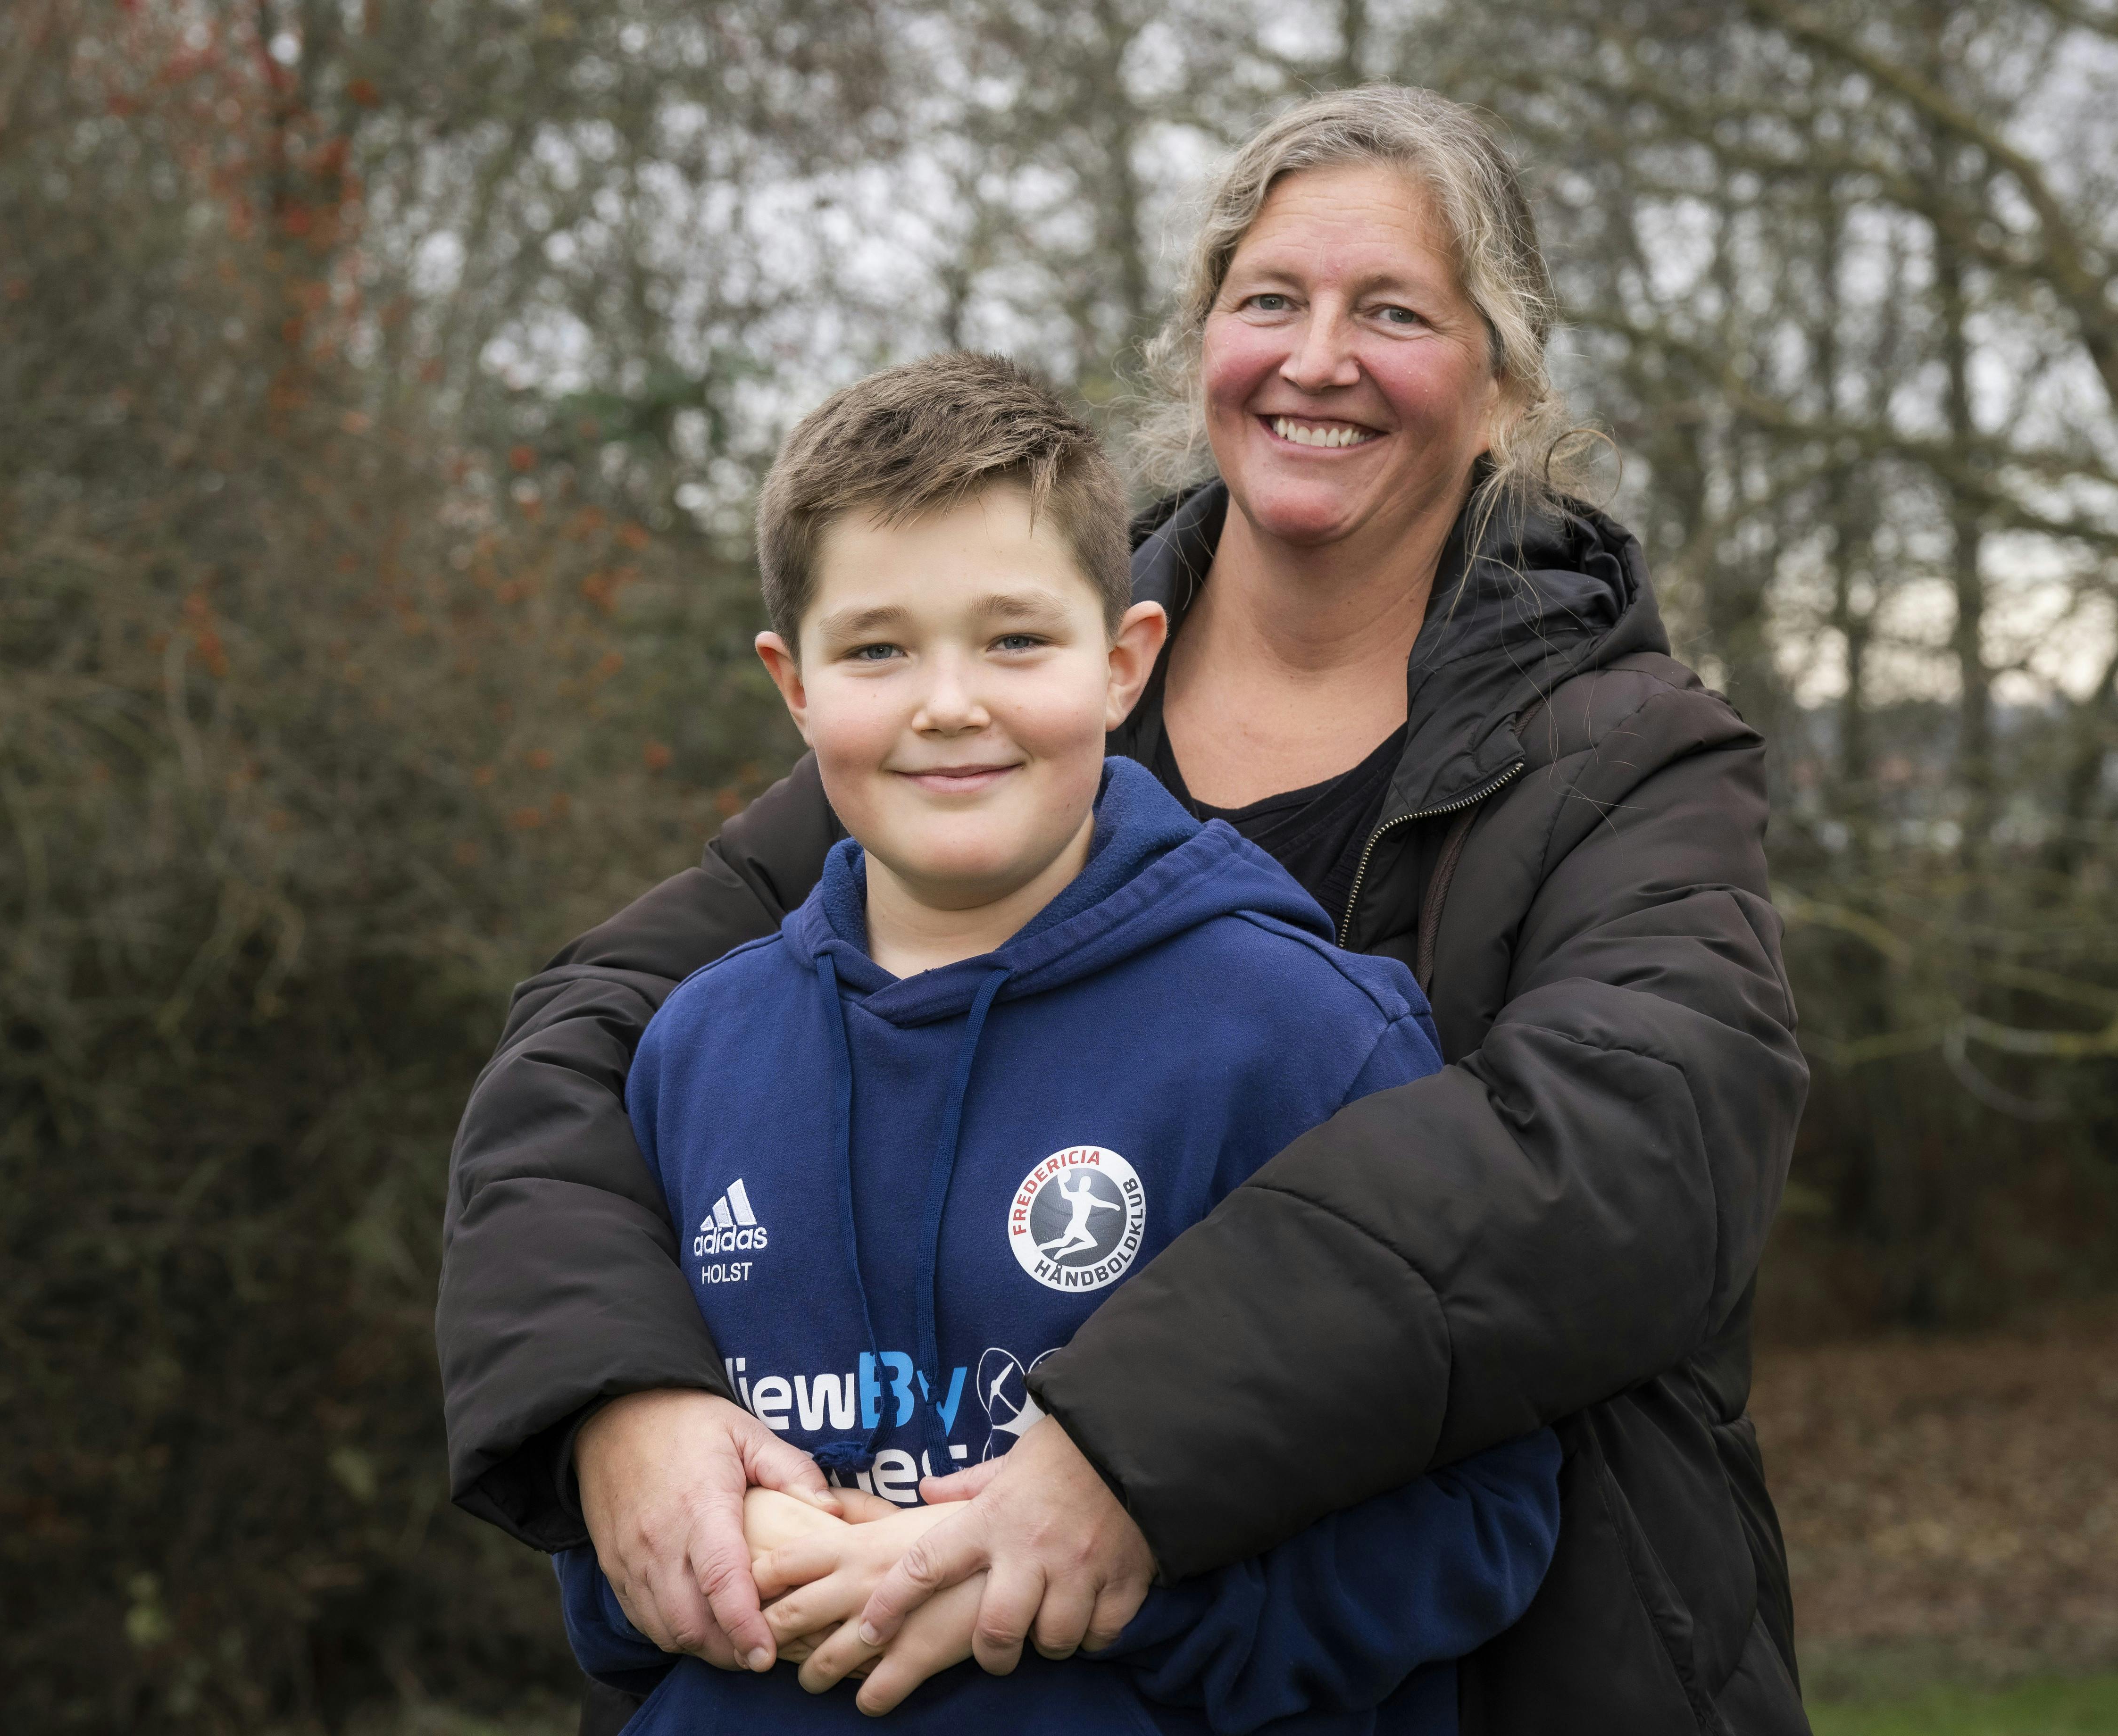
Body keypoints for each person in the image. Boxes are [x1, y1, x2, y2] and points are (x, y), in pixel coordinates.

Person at [438, 83, 1811, 1734]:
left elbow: (1628, 1156)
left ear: (1506, 389)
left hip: (1503, 1663)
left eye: (1394, 312)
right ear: (1199, 347)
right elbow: (591, 1047)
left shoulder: (1627, 754)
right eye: (1268, 303)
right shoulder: (992, 715)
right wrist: (621, 1398)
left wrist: (1125, 1449)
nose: (1318, 359)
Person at [548, 351, 1563, 1732]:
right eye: (878, 648)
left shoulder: (1307, 1037)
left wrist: (1115, 1592)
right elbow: (604, 1550)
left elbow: (1477, 1516)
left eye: (1015, 640)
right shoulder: (691, 1055)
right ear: (794, 686)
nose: (948, 702)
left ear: (1123, 662)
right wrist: (742, 1570)